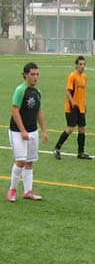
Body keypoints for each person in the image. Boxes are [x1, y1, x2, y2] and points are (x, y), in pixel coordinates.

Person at [7, 62, 49, 202]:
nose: (35, 77)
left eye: (37, 74)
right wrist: (23, 131)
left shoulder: (37, 93)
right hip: (17, 132)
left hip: (32, 131)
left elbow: (39, 112)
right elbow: (15, 111)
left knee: (30, 161)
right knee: (21, 160)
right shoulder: (21, 90)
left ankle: (28, 191)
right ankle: (12, 190)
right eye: (32, 74)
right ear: (25, 75)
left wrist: (43, 131)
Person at [52, 55, 90, 160]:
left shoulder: (85, 77)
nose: (82, 66)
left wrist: (83, 105)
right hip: (71, 107)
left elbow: (82, 93)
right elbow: (68, 91)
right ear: (76, 65)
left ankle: (81, 152)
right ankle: (57, 148)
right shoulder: (72, 76)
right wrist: (73, 102)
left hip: (81, 107)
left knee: (82, 129)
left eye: (84, 64)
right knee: (70, 128)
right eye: (80, 64)